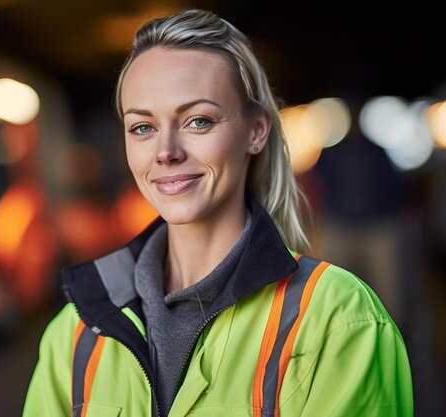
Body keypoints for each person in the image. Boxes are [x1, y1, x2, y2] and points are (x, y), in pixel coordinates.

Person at [22, 8, 413, 417]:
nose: (166, 152)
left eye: (198, 121)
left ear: (257, 130)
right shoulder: (76, 331)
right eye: (143, 127)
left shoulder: (337, 319)